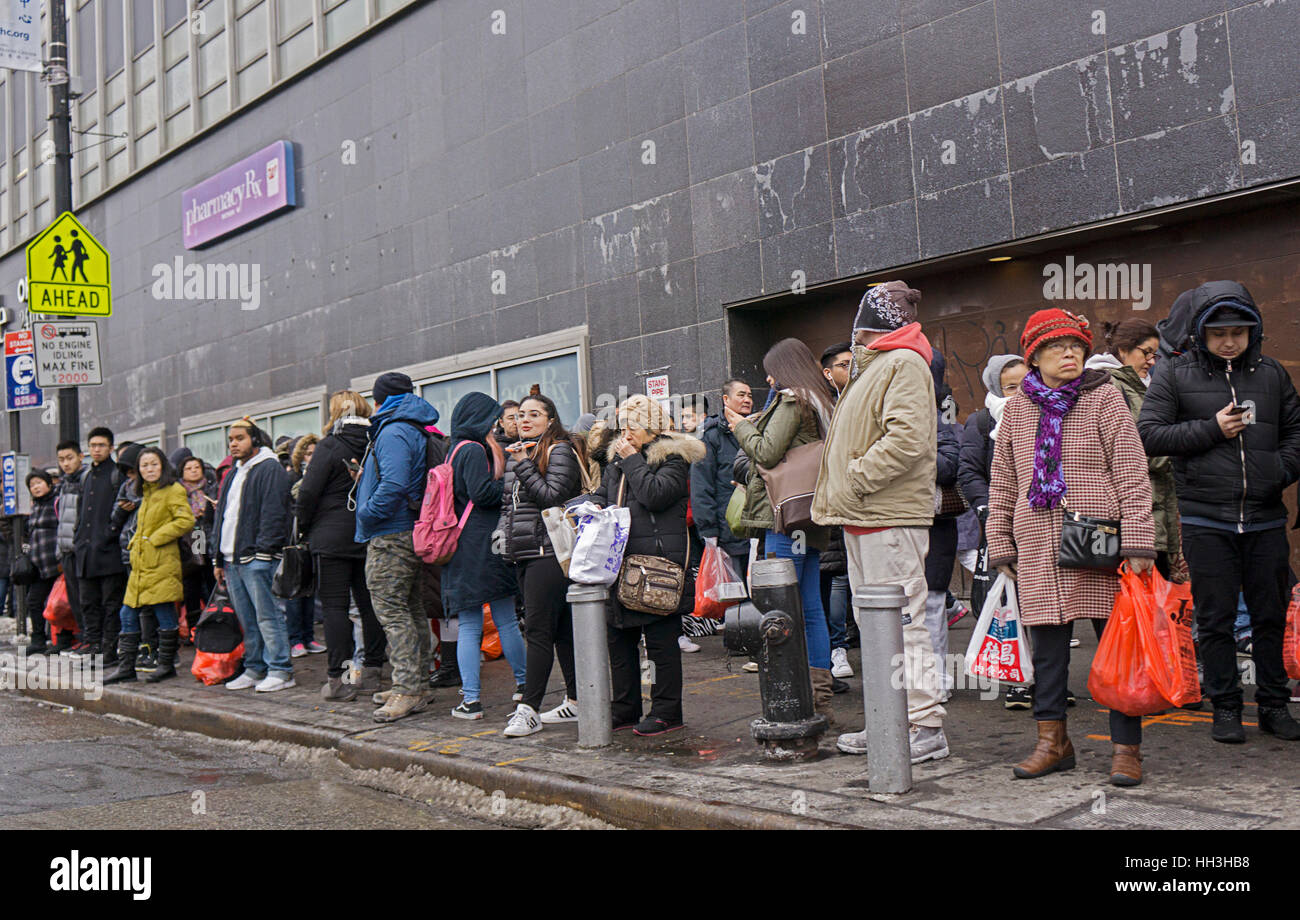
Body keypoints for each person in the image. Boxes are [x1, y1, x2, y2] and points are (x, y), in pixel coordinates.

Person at [987, 308, 1156, 786]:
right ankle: (1052, 743)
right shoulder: (1019, 407)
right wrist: (1000, 540)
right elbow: (1004, 480)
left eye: (1077, 347)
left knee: (1116, 646)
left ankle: (1126, 749)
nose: (1069, 354)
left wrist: (1139, 538)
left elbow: (1130, 469)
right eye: (1057, 348)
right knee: (1048, 650)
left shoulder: (1105, 398)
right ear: (1035, 356)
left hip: (1098, 537)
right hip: (1037, 541)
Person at [1138, 282, 1300, 744]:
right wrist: (1210, 429)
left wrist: (1278, 470)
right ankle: (1225, 706)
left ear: (1254, 331)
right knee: (1215, 617)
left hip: (1266, 516)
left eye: (1238, 332)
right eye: (1218, 333)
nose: (1229, 341)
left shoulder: (1271, 374)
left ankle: (1273, 704)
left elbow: (1295, 432)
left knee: (1270, 615)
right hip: (1206, 517)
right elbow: (1148, 434)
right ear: (1201, 333)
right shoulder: (1175, 374)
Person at [812, 281, 948, 763]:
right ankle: (893, 720)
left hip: (885, 514)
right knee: (879, 627)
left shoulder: (903, 363)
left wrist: (855, 479)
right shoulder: (885, 364)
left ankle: (924, 725)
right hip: (870, 514)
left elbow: (908, 439)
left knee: (902, 625)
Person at [730, 338, 837, 725]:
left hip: (785, 518)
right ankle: (818, 696)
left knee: (782, 606)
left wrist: (741, 426)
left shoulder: (793, 400)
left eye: (771, 370)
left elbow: (767, 452)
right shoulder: (820, 399)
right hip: (808, 515)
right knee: (809, 606)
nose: (769, 378)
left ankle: (793, 694)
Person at [593, 395, 703, 735]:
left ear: (653, 427)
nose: (626, 432)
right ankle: (626, 707)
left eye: (634, 425)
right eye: (622, 424)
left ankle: (666, 710)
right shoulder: (617, 460)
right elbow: (606, 495)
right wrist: (588, 506)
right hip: (620, 561)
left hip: (657, 564)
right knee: (619, 638)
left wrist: (631, 461)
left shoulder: (673, 457)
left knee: (659, 644)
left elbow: (655, 494)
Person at [354, 372, 441, 721]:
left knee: (393, 612)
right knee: (411, 609)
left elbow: (394, 483)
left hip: (391, 532)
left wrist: (367, 511)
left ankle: (406, 689)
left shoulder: (393, 429)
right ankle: (417, 685)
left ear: (381, 400)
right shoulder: (411, 425)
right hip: (408, 530)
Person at [498, 391, 584, 737]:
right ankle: (578, 701)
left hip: (550, 552)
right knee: (561, 630)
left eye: (534, 414)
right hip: (524, 553)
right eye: (520, 416)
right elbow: (509, 508)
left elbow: (552, 496)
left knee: (537, 631)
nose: (525, 420)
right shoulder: (521, 454)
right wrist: (504, 541)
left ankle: (528, 708)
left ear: (551, 420)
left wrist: (523, 465)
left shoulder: (558, 449)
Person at [440, 392, 528, 719]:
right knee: (503, 619)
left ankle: (472, 701)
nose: (496, 423)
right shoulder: (476, 450)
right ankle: (522, 686)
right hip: (480, 545)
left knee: (470, 624)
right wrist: (512, 475)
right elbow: (483, 493)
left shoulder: (454, 450)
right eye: (491, 417)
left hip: (464, 546)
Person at [295, 391, 386, 701]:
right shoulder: (376, 441)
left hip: (330, 537)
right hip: (368, 532)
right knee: (369, 605)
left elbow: (307, 493)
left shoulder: (330, 446)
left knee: (335, 608)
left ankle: (341, 679)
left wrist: (304, 527)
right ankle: (372, 673)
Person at [958, 354, 1030, 708]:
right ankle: (1018, 679)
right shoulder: (982, 421)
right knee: (1007, 602)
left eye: (1024, 384)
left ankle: (1050, 679)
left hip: (1041, 522)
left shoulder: (1047, 414)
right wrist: (988, 508)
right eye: (1010, 387)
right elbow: (968, 470)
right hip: (1001, 522)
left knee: (1044, 604)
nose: (1018, 393)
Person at [214, 417, 295, 693]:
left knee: (268, 616)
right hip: (232, 558)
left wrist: (264, 552)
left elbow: (274, 514)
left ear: (255, 439)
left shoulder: (269, 468)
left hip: (256, 558)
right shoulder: (234, 472)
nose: (233, 443)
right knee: (248, 619)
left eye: (240, 438)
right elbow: (223, 516)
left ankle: (281, 669)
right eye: (231, 439)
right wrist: (217, 558)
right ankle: (255, 667)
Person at [104, 449, 195, 684]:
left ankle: (166, 664)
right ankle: (127, 666)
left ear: (163, 466)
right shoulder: (144, 491)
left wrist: (156, 538)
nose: (149, 469)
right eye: (144, 465)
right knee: (128, 613)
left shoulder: (173, 489)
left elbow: (186, 520)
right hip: (141, 565)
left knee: (163, 610)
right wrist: (136, 543)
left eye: (154, 464)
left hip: (162, 562)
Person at [69, 427, 126, 663]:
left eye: (101, 445)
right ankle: (92, 644)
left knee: (111, 603)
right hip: (85, 551)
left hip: (109, 552)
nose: (96, 450)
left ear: (111, 448)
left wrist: (109, 532)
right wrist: (78, 539)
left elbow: (124, 508)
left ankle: (108, 649)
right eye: (93, 445)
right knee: (88, 602)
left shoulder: (117, 475)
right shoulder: (85, 476)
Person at [925, 353, 962, 703]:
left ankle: (936, 681)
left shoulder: (940, 410)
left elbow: (951, 465)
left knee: (932, 603)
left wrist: (909, 450)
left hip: (934, 525)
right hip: (901, 523)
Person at [818, 345, 855, 679]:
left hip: (860, 510)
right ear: (828, 373)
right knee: (835, 581)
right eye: (844, 364)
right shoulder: (821, 407)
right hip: (830, 512)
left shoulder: (867, 393)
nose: (852, 367)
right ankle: (836, 648)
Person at [284, 433, 324, 657]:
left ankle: (308, 637)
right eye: (308, 453)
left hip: (313, 540)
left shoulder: (321, 475)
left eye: (315, 452)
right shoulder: (291, 478)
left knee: (309, 592)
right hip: (294, 542)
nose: (312, 457)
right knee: (294, 592)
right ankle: (295, 639)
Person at [14, 471, 60, 654]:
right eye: (32, 485)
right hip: (38, 566)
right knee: (33, 601)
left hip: (56, 563)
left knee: (59, 604)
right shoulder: (34, 508)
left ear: (48, 484)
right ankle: (38, 639)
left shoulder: (57, 501)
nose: (36, 487)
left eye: (39, 483)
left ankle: (62, 639)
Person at [176, 454, 218, 642]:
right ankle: (193, 628)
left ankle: (215, 623)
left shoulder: (212, 488)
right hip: (187, 541)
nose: (193, 471)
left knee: (211, 582)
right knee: (191, 585)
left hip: (207, 538)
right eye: (188, 468)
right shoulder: (177, 491)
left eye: (196, 467)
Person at [53, 440, 85, 649]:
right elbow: (61, 520)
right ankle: (82, 638)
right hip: (66, 551)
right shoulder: (64, 484)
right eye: (61, 460)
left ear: (80, 457)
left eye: (69, 458)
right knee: (75, 600)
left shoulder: (86, 480)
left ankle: (91, 640)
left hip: (81, 549)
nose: (66, 463)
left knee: (87, 599)